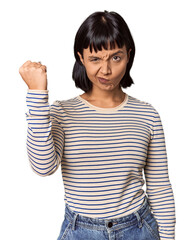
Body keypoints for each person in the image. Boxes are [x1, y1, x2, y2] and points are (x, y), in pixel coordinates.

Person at [19, 10, 176, 240]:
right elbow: (43, 167)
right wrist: (37, 94)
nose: (106, 71)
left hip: (139, 230)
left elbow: (160, 188)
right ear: (80, 58)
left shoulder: (147, 115)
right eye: (95, 59)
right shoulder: (62, 112)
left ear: (128, 55)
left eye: (115, 57)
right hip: (81, 232)